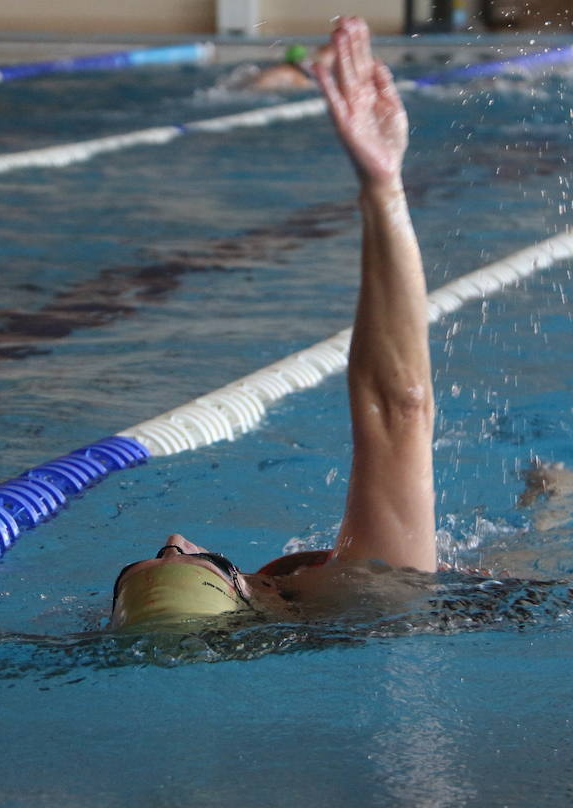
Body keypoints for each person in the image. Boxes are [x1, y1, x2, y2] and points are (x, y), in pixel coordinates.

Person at [111, 17, 436, 631]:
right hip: (503, 600)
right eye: (200, 558)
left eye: (157, 554)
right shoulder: (367, 595)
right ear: (246, 596)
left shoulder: (298, 609)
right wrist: (382, 186)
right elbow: (400, 407)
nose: (176, 534)